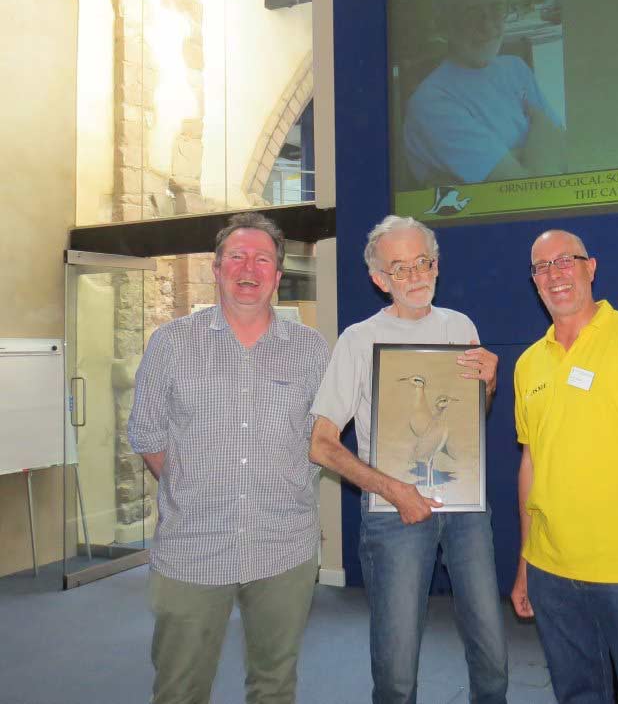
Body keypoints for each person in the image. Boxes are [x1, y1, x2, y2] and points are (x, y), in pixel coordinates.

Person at [127, 212, 330, 704]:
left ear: (278, 278)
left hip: (283, 545)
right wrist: (193, 489)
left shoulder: (311, 350)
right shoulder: (171, 344)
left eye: (263, 259)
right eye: (236, 256)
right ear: (216, 269)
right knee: (179, 688)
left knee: (274, 685)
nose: (249, 268)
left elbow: (325, 439)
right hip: (193, 546)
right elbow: (148, 435)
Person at [308, 215, 508, 704]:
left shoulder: (461, 326)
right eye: (400, 268)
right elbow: (321, 443)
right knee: (396, 675)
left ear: (436, 266)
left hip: (465, 508)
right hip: (394, 514)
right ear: (380, 280)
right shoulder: (357, 340)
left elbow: (468, 422)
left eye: (423, 263)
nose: (415, 276)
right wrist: (393, 491)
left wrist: (490, 385)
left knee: (493, 661)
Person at [510, 229, 618, 704]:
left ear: (591, 267)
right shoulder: (529, 363)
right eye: (542, 267)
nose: (555, 274)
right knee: (578, 696)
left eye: (565, 260)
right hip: (551, 572)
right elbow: (531, 463)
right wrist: (527, 560)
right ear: (534, 281)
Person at [404, 0, 566, 187]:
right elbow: (526, 192)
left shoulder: (516, 68)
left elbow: (563, 145)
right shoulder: (431, 102)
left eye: (497, 9)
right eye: (472, 14)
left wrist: (522, 160)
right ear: (446, 23)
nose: (488, 26)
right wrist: (540, 135)